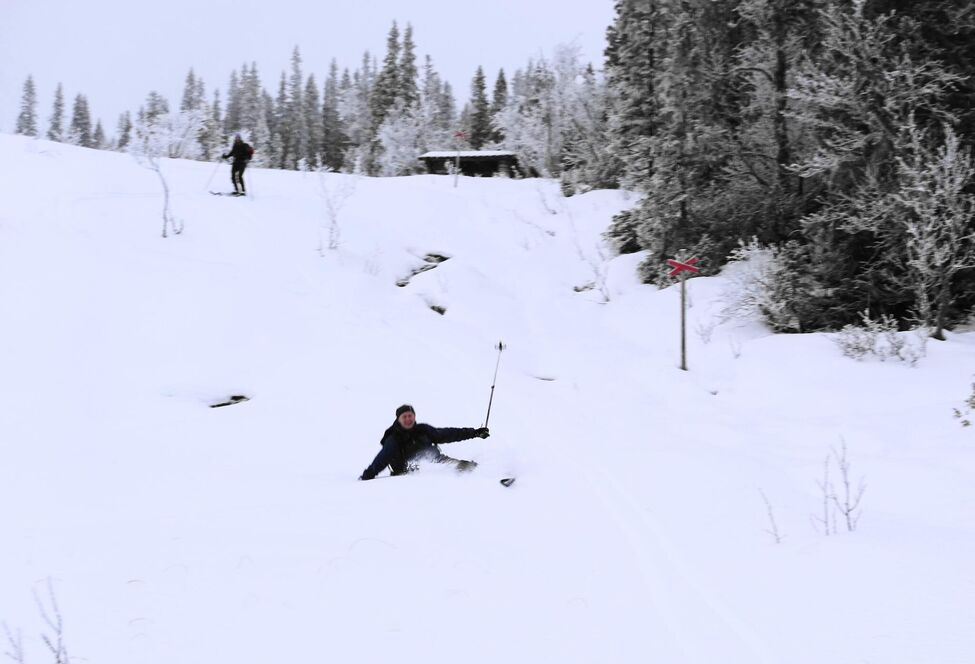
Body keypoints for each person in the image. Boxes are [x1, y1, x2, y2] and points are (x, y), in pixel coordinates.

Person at [359, 404, 490, 481]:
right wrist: (368, 475)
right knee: (452, 473)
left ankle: (493, 476)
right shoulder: (394, 438)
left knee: (469, 468)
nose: (408, 419)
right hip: (410, 476)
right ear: (398, 419)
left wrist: (475, 433)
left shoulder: (423, 430)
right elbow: (382, 458)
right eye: (404, 417)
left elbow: (448, 434)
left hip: (439, 462)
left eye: (410, 416)